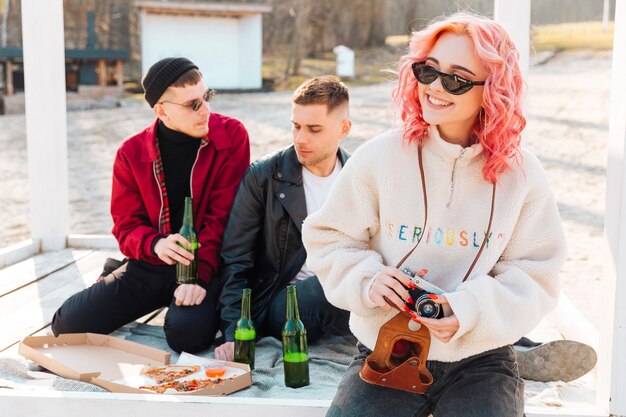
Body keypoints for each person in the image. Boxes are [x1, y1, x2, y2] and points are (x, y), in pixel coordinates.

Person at [302, 13, 567, 416]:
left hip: (482, 356)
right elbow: (329, 237)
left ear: (493, 90)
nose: (434, 88)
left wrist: (467, 310)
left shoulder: (524, 173)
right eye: (428, 71)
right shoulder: (381, 155)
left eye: (456, 79)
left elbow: (536, 272)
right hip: (386, 347)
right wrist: (366, 279)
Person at [51, 57, 250, 353]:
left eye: (206, 97)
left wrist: (200, 275)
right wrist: (155, 244)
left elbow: (225, 218)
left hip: (206, 262)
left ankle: (181, 298)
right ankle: (116, 272)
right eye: (193, 104)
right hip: (150, 261)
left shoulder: (231, 135)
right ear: (161, 110)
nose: (206, 109)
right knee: (66, 325)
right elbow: (125, 225)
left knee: (188, 337)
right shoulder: (130, 153)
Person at [215, 76, 352, 361]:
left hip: (346, 290)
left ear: (344, 129)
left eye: (314, 129)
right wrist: (233, 332)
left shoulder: (358, 176)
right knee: (335, 280)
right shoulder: (264, 176)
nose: (301, 138)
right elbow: (236, 260)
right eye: (296, 126)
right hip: (281, 303)